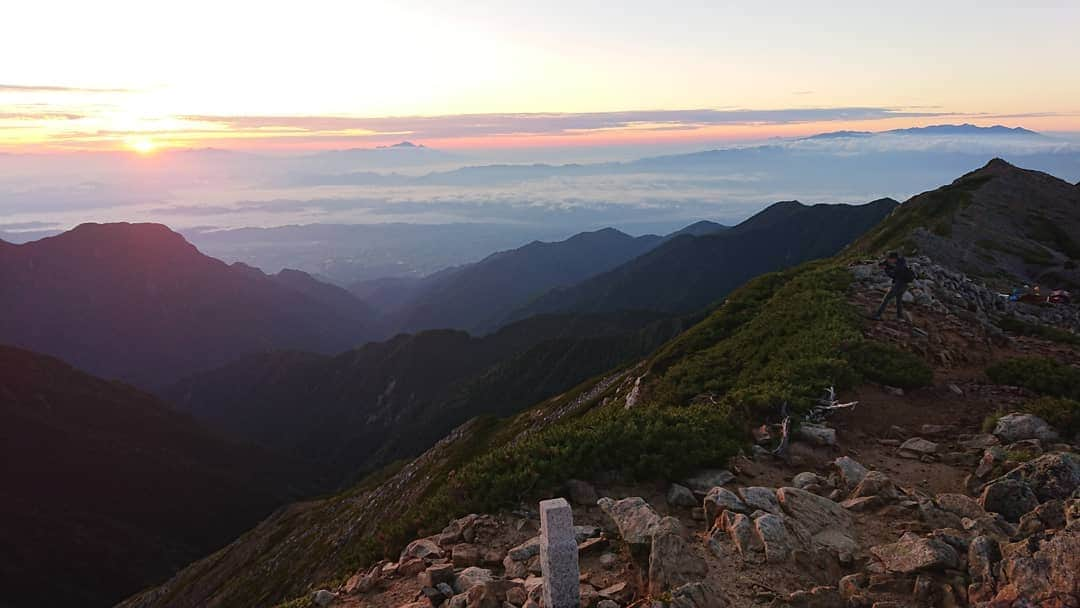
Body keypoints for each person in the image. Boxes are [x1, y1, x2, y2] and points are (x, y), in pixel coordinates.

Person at [872, 251, 915, 320]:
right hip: (905, 285)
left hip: (899, 284)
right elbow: (888, 264)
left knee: (886, 299)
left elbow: (893, 275)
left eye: (889, 259)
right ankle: (900, 317)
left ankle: (877, 315)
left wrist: (885, 269)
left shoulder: (900, 267)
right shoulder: (900, 262)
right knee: (898, 300)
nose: (888, 260)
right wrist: (884, 264)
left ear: (894, 259)